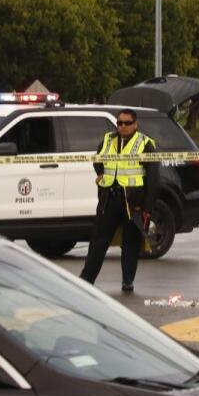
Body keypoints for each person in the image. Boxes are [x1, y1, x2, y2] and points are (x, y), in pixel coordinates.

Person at [80, 109, 159, 293]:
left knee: (130, 244)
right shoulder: (108, 140)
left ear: (135, 124)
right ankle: (86, 281)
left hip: (132, 202)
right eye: (120, 123)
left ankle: (128, 281)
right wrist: (100, 173)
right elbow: (97, 160)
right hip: (109, 199)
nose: (122, 126)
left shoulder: (145, 144)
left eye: (127, 123)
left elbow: (153, 178)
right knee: (98, 242)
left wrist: (147, 207)